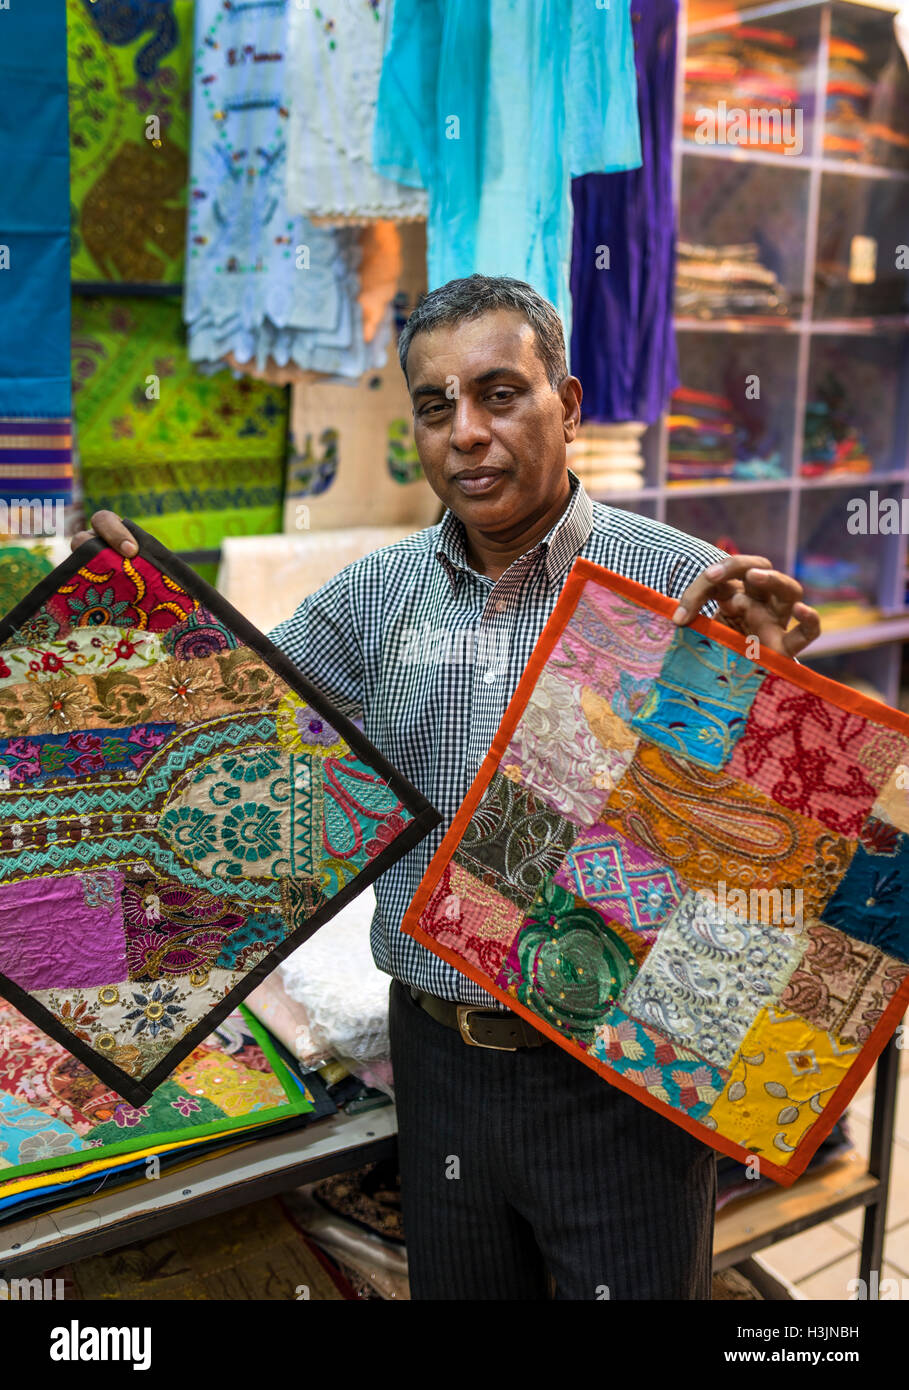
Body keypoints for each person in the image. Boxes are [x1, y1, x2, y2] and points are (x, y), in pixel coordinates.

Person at [75, 274, 820, 1300]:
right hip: (441, 1061)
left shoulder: (685, 581)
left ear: (571, 401)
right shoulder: (376, 597)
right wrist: (125, 615)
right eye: (435, 407)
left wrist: (779, 690)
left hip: (618, 1077)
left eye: (500, 393)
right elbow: (225, 719)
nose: (465, 433)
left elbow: (767, 868)